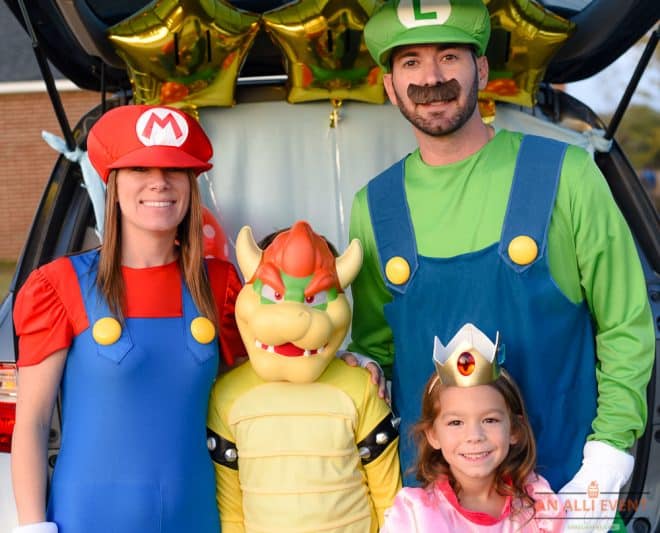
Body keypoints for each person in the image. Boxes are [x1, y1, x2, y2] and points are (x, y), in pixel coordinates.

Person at [349, 0, 654, 528]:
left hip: (567, 497)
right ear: (389, 84)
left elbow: (626, 325)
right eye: (411, 63)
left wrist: (605, 465)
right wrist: (360, 365)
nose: (433, 77)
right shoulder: (373, 207)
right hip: (440, 514)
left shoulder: (567, 175)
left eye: (449, 56)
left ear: (481, 70)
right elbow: (376, 352)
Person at [11, 104, 245, 533]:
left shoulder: (223, 286)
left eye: (175, 169)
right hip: (87, 520)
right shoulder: (59, 286)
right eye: (139, 168)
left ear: (192, 187)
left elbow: (271, 379)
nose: (160, 181)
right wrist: (32, 528)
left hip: (197, 519)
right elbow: (32, 422)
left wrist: (349, 363)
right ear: (113, 185)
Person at [207, 221, 401, 532]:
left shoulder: (360, 386)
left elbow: (389, 496)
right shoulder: (226, 395)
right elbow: (230, 508)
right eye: (274, 293)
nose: (292, 318)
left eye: (314, 298)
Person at [381, 324, 564, 532]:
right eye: (456, 423)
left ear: (514, 430)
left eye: (490, 420)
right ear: (433, 434)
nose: (475, 436)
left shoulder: (538, 507)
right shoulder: (414, 516)